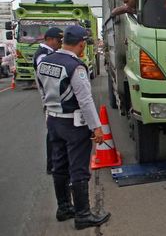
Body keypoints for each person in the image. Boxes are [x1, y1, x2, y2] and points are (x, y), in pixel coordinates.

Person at [36, 25, 111, 230]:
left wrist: (49, 114)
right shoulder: (75, 66)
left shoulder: (44, 62)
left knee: (59, 166)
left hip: (53, 121)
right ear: (81, 44)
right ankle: (83, 215)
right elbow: (85, 100)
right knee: (78, 169)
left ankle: (64, 208)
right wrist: (97, 128)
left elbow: (41, 90)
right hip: (73, 124)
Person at [33, 27, 63, 175]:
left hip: (53, 98)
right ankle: (52, 165)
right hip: (50, 99)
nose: (60, 43)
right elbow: (46, 77)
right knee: (53, 134)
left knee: (55, 132)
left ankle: (55, 163)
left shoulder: (50, 53)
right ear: (49, 39)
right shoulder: (42, 56)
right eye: (58, 40)